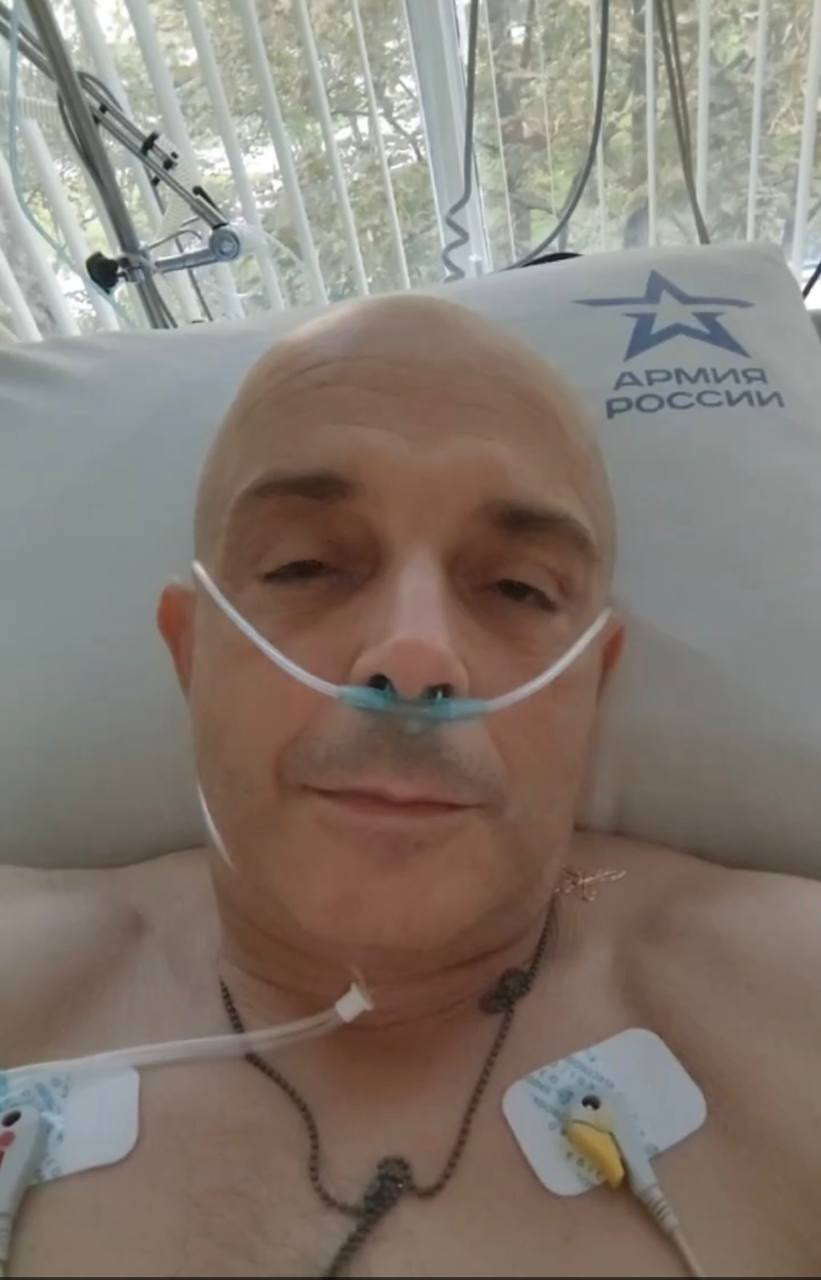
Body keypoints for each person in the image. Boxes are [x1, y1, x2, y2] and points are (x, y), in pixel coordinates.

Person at [2, 295, 820, 1279]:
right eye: (305, 564)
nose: (415, 655)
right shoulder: (24, 974)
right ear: (192, 652)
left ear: (592, 687)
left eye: (516, 587)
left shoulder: (786, 1006)